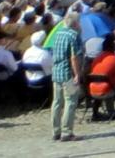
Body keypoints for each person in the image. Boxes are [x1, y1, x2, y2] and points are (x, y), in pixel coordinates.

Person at [44, 9, 84, 142]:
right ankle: (67, 131)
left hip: (56, 71)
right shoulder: (73, 35)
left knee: (56, 102)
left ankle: (56, 131)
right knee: (70, 101)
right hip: (67, 72)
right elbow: (74, 57)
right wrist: (77, 74)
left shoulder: (58, 33)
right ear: (76, 23)